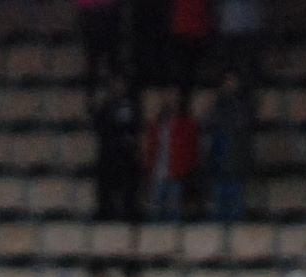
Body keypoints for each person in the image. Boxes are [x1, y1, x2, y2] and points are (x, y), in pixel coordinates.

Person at [143, 92, 200, 222]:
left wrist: (187, 168)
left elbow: (191, 148)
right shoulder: (157, 125)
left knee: (174, 208)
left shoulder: (185, 124)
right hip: (158, 172)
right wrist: (149, 166)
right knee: (155, 208)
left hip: (176, 172)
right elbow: (151, 148)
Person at [203, 72, 253, 223]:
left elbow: (244, 125)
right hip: (220, 162)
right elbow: (209, 123)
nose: (229, 85)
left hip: (235, 162)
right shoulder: (218, 105)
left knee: (235, 199)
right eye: (227, 82)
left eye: (232, 82)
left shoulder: (241, 105)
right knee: (219, 198)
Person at [92, 86, 144, 222]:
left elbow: (135, 127)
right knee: (106, 184)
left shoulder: (131, 106)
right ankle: (106, 211)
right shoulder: (106, 106)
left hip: (126, 154)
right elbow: (99, 125)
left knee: (128, 184)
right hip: (109, 153)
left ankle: (129, 211)